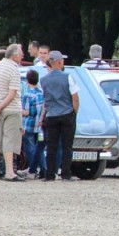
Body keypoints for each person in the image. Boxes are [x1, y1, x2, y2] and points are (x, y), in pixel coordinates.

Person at [0, 43, 27, 182]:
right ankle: (9, 172)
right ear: (14, 55)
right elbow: (12, 93)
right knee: (9, 139)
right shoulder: (14, 69)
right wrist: (0, 107)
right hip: (11, 109)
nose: (22, 55)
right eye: (20, 53)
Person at [41, 50, 80, 181]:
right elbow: (75, 97)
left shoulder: (43, 79)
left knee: (51, 146)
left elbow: (45, 99)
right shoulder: (68, 77)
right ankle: (65, 173)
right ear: (59, 62)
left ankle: (50, 174)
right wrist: (74, 112)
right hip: (67, 114)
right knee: (67, 146)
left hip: (51, 115)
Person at [22, 68, 45, 179]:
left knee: (30, 149)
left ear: (27, 80)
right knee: (39, 149)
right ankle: (44, 169)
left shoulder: (27, 95)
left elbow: (27, 112)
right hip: (39, 126)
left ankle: (33, 169)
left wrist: (18, 110)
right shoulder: (41, 93)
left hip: (29, 125)